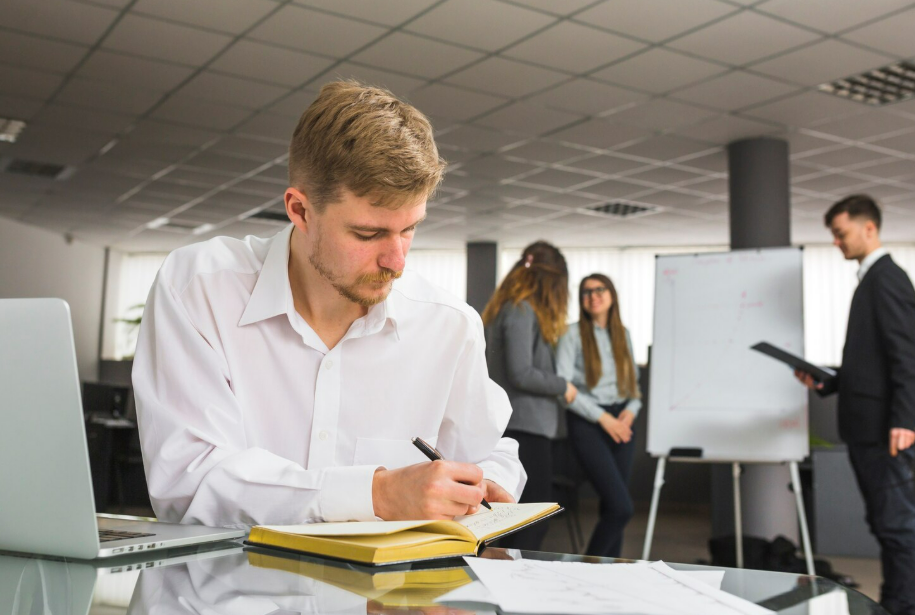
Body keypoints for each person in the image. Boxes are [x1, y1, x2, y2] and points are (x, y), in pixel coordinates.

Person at [132, 81, 525, 528]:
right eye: (368, 234)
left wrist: (485, 481)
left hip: (387, 598)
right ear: (300, 210)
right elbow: (190, 483)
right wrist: (376, 495)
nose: (396, 261)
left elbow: (491, 449)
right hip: (228, 592)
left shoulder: (449, 326)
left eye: (409, 229)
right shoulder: (199, 290)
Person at [795, 194, 915, 615]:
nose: (837, 243)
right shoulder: (871, 280)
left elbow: (908, 355)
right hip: (870, 428)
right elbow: (874, 365)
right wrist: (828, 382)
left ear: (870, 228)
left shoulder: (887, 279)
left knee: (898, 527)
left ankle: (902, 606)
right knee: (886, 526)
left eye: (841, 234)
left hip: (887, 432)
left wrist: (905, 419)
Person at [482, 241, 576, 550]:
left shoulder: (510, 306)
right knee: (530, 519)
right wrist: (562, 386)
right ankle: (505, 585)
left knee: (517, 517)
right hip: (525, 426)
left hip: (524, 424)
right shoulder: (521, 308)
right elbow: (521, 372)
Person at [556, 274, 641, 558]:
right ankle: (587, 568)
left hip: (622, 422)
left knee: (611, 507)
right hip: (589, 423)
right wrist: (604, 419)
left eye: (599, 289)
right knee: (621, 507)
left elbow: (634, 387)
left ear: (612, 294)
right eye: (586, 292)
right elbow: (563, 388)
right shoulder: (571, 334)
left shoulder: (623, 334)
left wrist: (630, 411)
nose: (593, 295)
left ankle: (609, 577)